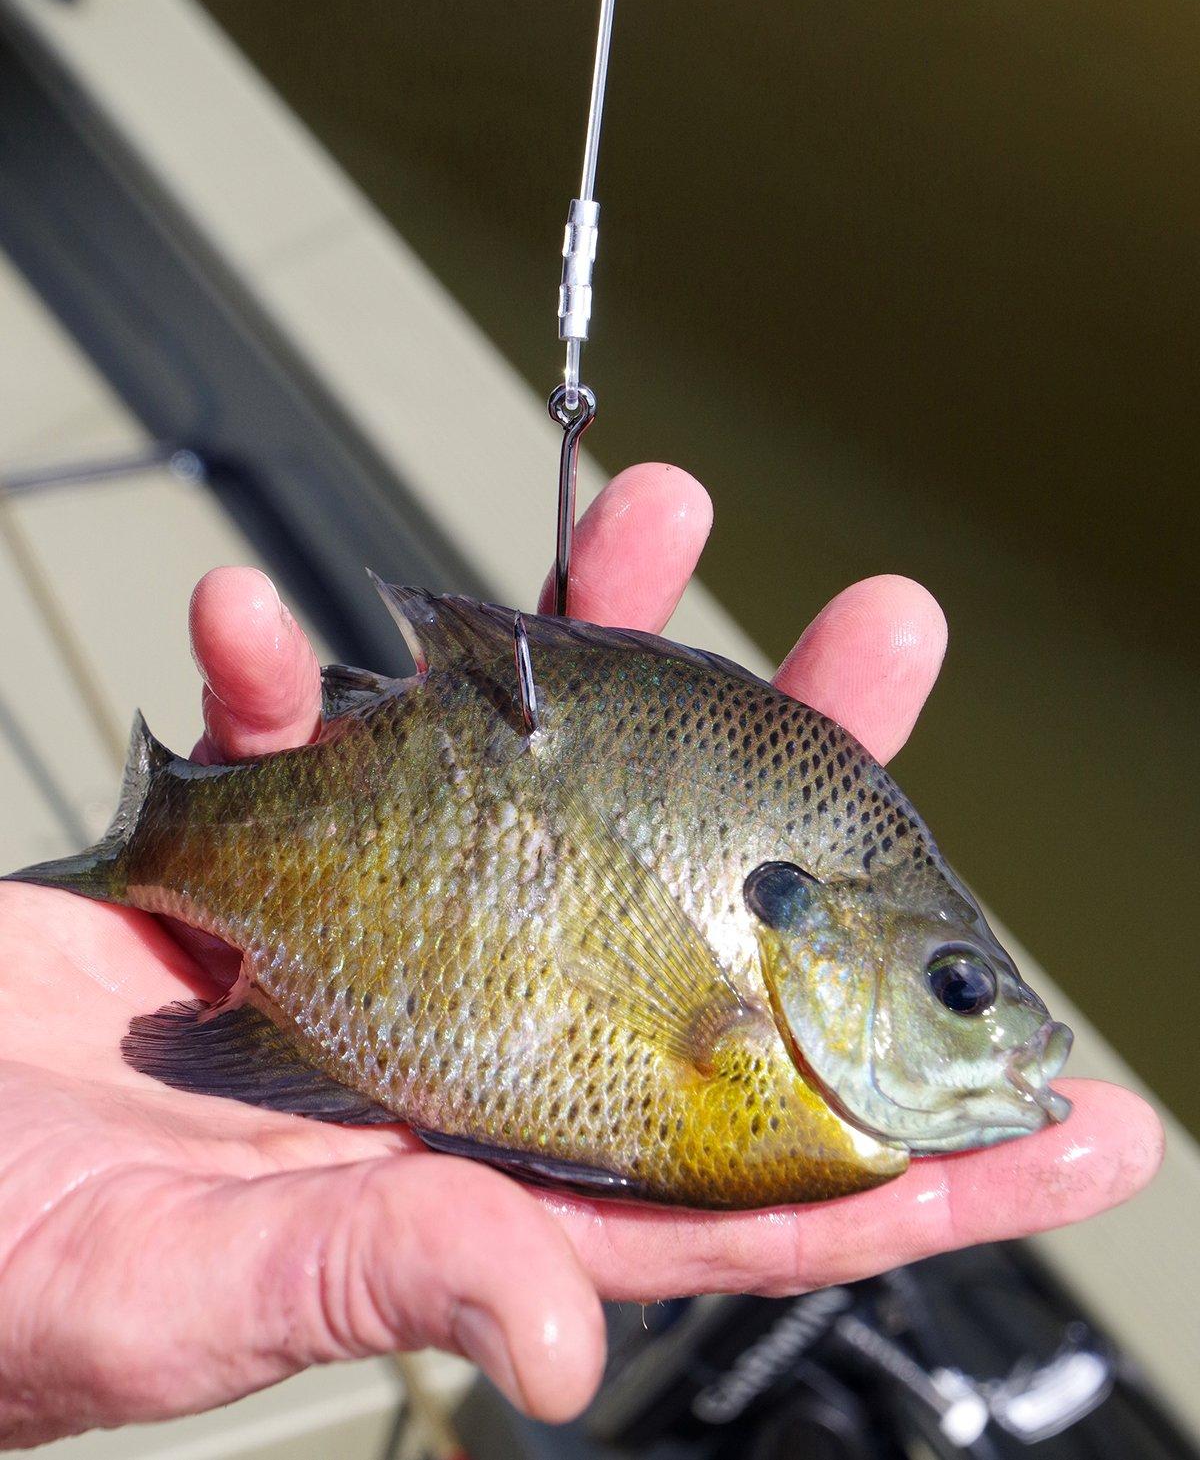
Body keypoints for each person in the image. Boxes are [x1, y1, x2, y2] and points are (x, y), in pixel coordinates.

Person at [0, 464, 1160, 1449]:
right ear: (826, 935)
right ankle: (150, 846)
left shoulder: (822, 1111)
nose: (995, 1030)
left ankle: (143, 851)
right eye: (957, 987)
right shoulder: (769, 1060)